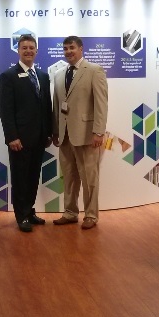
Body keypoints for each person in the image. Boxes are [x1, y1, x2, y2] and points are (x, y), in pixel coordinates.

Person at [52, 35, 109, 230]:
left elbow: (101, 103)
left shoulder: (94, 71)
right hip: (65, 135)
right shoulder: (59, 74)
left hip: (86, 134)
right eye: (66, 48)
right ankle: (70, 212)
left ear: (81, 49)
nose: (68, 51)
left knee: (89, 178)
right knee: (68, 176)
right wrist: (55, 131)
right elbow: (56, 106)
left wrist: (99, 132)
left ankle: (91, 215)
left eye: (72, 48)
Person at [0, 34, 53, 232]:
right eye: (24, 48)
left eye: (31, 48)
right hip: (19, 140)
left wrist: (48, 133)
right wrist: (12, 136)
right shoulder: (8, 76)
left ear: (37, 51)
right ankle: (20, 216)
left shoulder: (43, 76)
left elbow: (47, 107)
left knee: (32, 178)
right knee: (20, 179)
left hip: (39, 138)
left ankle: (29, 211)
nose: (28, 51)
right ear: (18, 51)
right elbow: (6, 110)